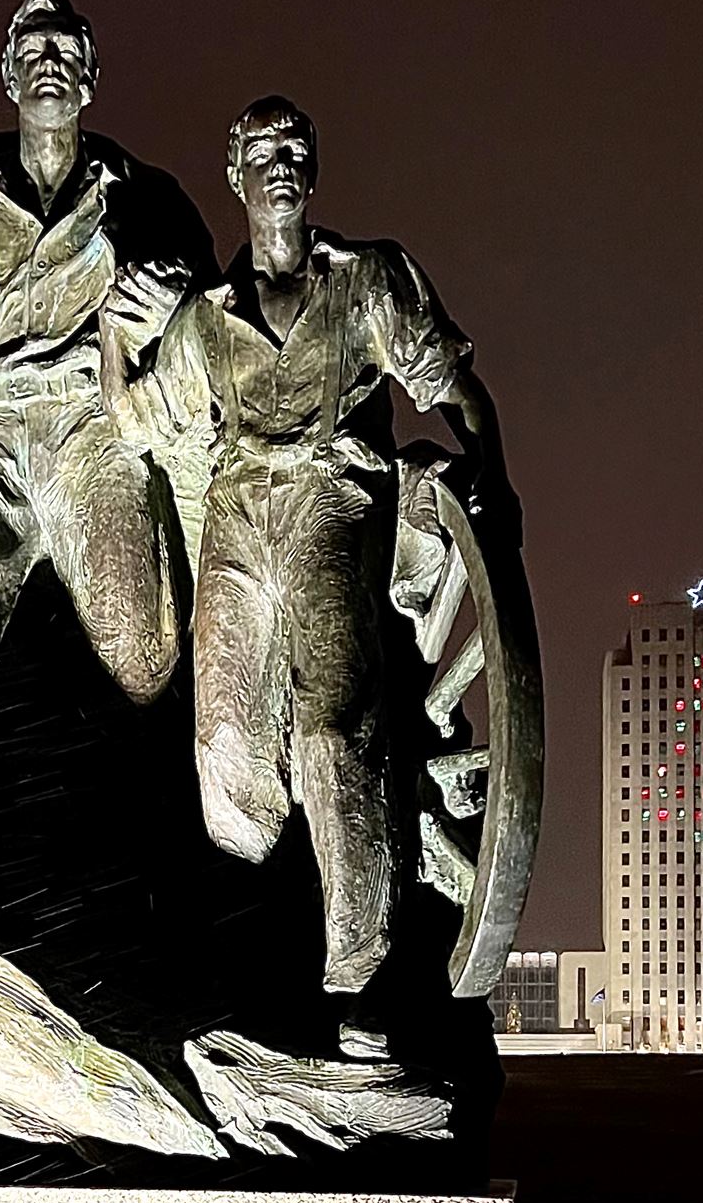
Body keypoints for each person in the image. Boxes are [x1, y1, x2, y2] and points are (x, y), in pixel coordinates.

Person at [105, 95, 510, 997]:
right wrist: (112, 334)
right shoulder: (206, 319)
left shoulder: (368, 281)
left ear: (315, 167)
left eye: (294, 149)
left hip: (332, 496)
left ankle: (358, 970)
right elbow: (136, 421)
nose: (280, 165)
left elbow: (453, 385)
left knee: (333, 731)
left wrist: (495, 475)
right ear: (236, 177)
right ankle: (272, 913)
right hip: (238, 516)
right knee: (223, 750)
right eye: (262, 153)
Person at [0, 0, 215, 780]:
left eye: (65, 51)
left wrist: (178, 308)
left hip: (92, 435)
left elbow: (216, 317)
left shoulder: (146, 196)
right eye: (33, 52)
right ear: (7, 75)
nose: (49, 65)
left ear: (92, 76)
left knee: (144, 658)